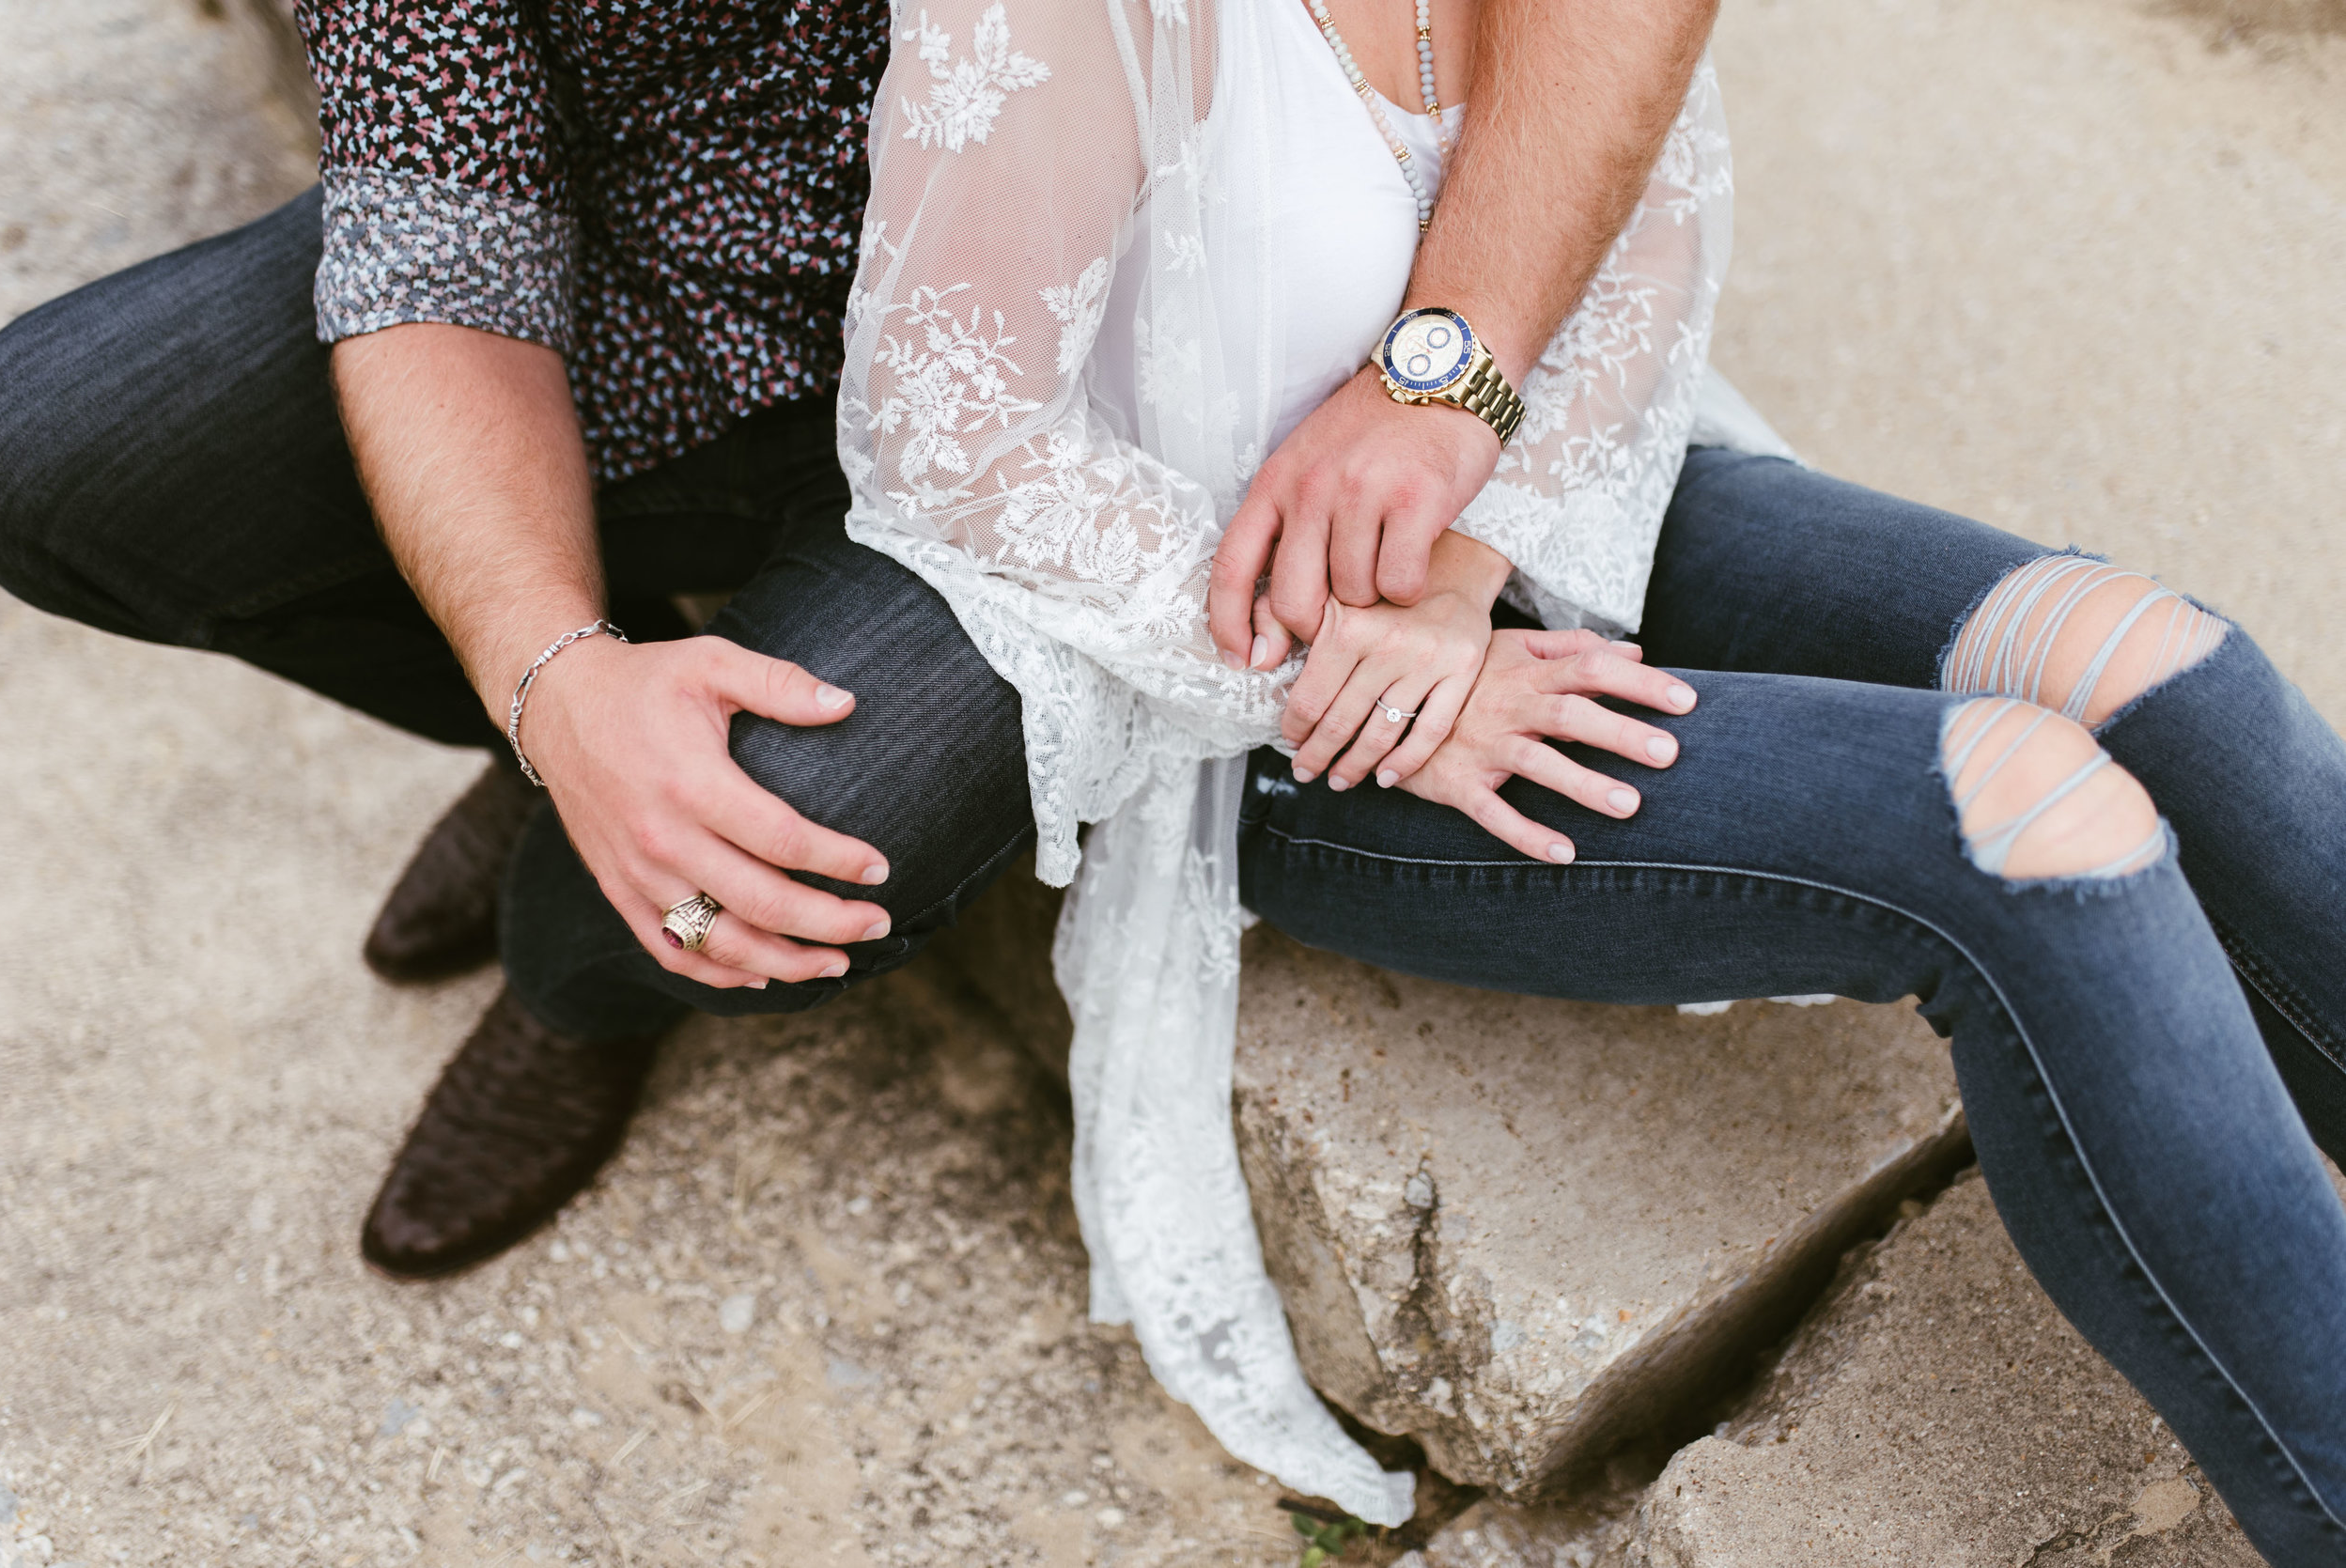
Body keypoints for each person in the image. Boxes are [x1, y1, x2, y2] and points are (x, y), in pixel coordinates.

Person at [830, 0, 2346, 1558]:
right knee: (2021, 821)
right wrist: (1348, 661)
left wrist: (1472, 548)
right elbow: (954, 440)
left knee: (2155, 664)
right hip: (1259, 697)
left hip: (1571, 484)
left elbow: (1643, 217)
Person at [0, 0, 1710, 1281]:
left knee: (808, 834)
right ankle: (559, 748)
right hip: (640, 286)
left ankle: (574, 967)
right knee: (55, 456)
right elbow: (443, 227)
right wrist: (556, 682)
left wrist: (1450, 369)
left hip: (1073, 365)